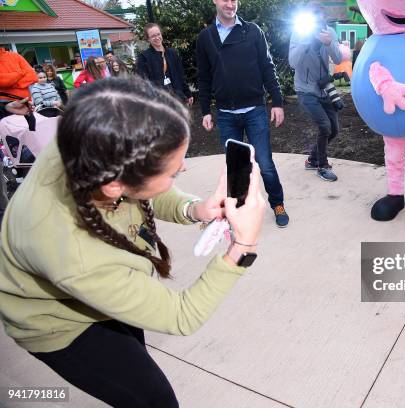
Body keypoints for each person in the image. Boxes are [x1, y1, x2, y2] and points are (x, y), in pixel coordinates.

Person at [0, 77, 266, 407]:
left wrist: (194, 208)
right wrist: (244, 246)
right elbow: (180, 315)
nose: (182, 168)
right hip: (58, 323)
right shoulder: (74, 254)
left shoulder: (89, 140)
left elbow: (141, 182)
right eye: (172, 172)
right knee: (155, 401)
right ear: (114, 186)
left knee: (134, 349)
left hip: (102, 277)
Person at [196, 0, 289, 228]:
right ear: (215, 2)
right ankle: (239, 210)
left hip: (254, 110)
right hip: (227, 115)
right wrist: (205, 110)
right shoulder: (206, 38)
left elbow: (267, 66)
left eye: (234, 0)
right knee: (236, 167)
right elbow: (204, 77)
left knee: (264, 162)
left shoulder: (252, 31)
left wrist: (276, 101)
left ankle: (277, 203)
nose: (230, 4)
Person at [289, 6, 342, 182]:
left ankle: (312, 160)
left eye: (320, 21)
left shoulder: (330, 33)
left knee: (334, 130)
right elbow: (293, 63)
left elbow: (338, 59)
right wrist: (305, 41)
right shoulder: (299, 34)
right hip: (305, 89)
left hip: (324, 88)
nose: (317, 25)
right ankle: (322, 166)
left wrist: (329, 43)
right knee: (324, 127)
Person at [136, 23, 193, 106]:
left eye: (158, 34)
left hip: (178, 99)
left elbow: (181, 75)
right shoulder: (144, 57)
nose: (157, 37)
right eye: (153, 36)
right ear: (148, 39)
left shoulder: (172, 53)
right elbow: (143, 83)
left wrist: (187, 93)